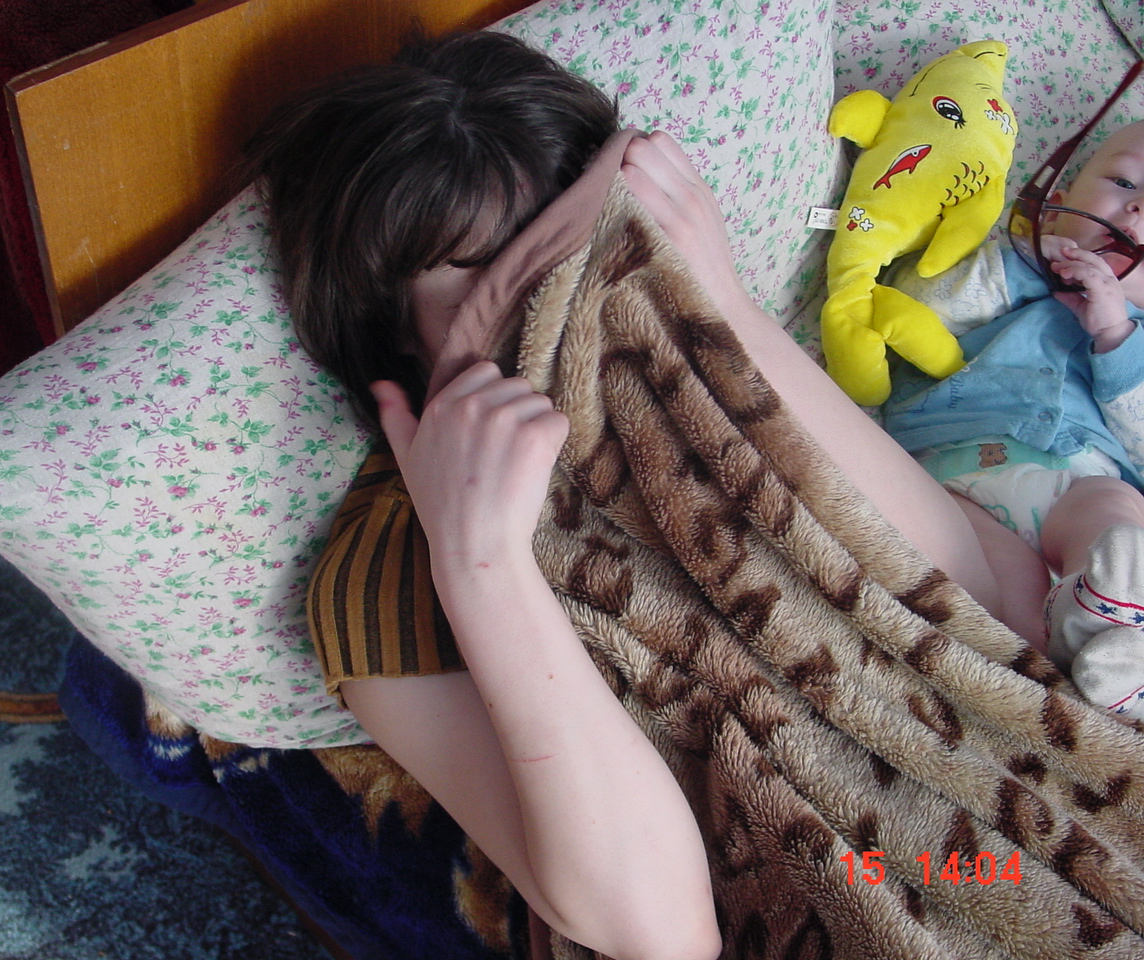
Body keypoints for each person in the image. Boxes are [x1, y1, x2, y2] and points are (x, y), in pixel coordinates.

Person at [246, 29, 1061, 960]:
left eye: (580, 232)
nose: (566, 285)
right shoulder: (390, 565)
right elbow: (660, 933)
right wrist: (480, 564)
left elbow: (979, 610)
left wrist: (732, 315)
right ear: (388, 322)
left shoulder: (693, 359)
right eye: (490, 271)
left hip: (1013, 845)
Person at [882, 120, 1144, 715]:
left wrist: (1116, 333)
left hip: (1080, 477)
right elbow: (914, 307)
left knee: (1114, 510)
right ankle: (1068, 655)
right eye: (1124, 182)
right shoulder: (1008, 269)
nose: (1136, 208)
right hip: (956, 465)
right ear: (1058, 204)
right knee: (1011, 591)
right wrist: (1019, 261)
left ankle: (1108, 626)